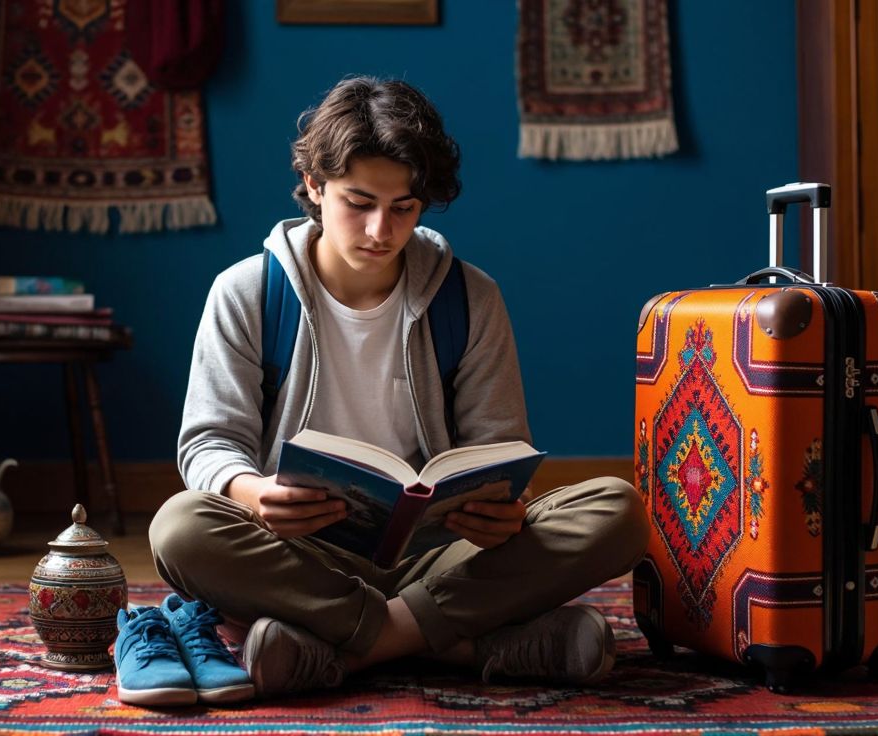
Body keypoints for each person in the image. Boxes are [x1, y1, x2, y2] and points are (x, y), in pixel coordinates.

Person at [145, 76, 647, 698]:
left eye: (403, 207)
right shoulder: (246, 291)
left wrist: (499, 513)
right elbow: (208, 444)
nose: (381, 230)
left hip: (442, 556)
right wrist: (253, 493)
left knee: (617, 510)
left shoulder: (471, 298)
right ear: (314, 185)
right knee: (181, 527)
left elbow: (498, 451)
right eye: (359, 202)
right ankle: (464, 645)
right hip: (300, 555)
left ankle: (351, 648)